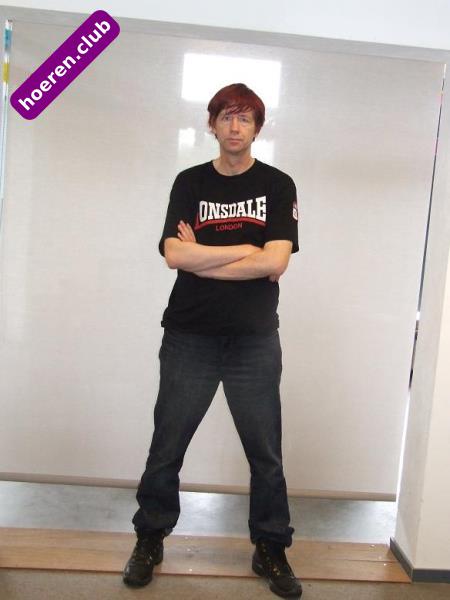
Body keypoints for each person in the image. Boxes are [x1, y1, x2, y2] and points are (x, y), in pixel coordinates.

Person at [123, 83, 302, 598]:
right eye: (226, 117)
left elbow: (276, 260)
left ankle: (270, 547)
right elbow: (174, 255)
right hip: (189, 337)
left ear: (257, 128)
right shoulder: (190, 182)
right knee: (167, 445)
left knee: (265, 453)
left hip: (253, 341)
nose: (234, 127)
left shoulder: (277, 184)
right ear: (212, 124)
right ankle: (149, 539)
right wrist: (246, 252)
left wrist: (206, 257)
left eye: (245, 118)